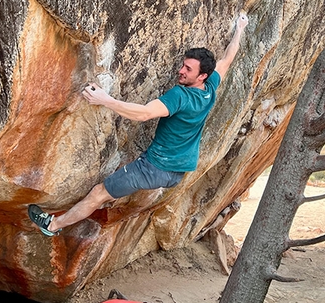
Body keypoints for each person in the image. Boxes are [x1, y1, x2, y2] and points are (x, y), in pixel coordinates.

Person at [28, 12, 248, 236]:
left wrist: (106, 100)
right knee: (112, 190)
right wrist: (239, 29)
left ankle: (52, 226)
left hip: (154, 168)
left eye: (188, 69)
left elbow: (144, 114)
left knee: (99, 193)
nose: (181, 71)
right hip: (177, 172)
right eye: (183, 65)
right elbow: (227, 60)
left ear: (202, 76)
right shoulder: (209, 89)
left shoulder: (180, 96)